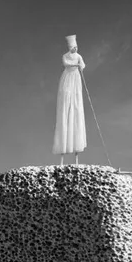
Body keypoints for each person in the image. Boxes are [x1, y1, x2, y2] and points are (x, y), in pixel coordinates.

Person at [53, 34, 87, 166]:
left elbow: (82, 64)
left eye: (76, 47)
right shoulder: (65, 56)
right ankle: (62, 154)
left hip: (76, 79)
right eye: (74, 47)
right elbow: (66, 63)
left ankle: (76, 154)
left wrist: (80, 65)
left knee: (76, 105)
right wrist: (75, 64)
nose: (75, 49)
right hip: (68, 78)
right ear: (70, 47)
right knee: (66, 102)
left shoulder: (79, 56)